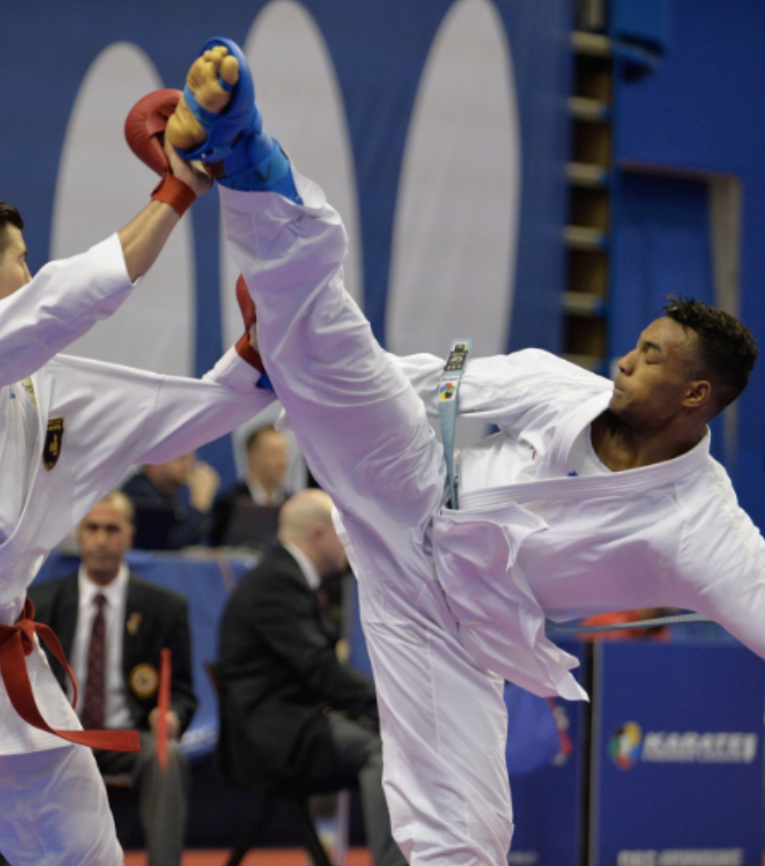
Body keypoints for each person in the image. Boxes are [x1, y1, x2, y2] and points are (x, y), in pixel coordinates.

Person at [162, 38, 764, 866]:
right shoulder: (561, 385)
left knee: (468, 835)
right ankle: (248, 156)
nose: (626, 360)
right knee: (343, 347)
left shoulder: (704, 526)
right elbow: (425, 386)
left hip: (457, 627)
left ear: (697, 395)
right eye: (637, 345)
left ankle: (292, 317)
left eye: (652, 358)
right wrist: (304, 377)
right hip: (412, 492)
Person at [0, 134, 275, 866]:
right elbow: (58, 304)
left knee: (87, 855)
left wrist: (256, 357)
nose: (31, 272)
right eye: (21, 259)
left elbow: (162, 416)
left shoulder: (41, 385)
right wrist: (174, 195)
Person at [0, 490, 195, 866]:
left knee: (166, 756)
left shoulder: (165, 608)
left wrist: (170, 714)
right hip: (56, 736)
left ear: (130, 535)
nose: (101, 540)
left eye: (112, 529)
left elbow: (183, 691)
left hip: (126, 740)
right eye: (92, 528)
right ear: (79, 533)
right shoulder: (39, 603)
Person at [216, 489, 406, 866]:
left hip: (287, 721)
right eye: (342, 532)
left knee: (382, 736)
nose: (348, 543)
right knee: (383, 750)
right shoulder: (278, 582)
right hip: (274, 739)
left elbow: (316, 669)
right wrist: (392, 708)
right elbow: (320, 670)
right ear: (319, 533)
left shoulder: (282, 576)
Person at [210, 423, 290, 547]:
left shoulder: (292, 503)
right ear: (252, 456)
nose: (282, 462)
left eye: (283, 453)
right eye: (273, 453)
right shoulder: (230, 504)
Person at [122, 452, 219, 550]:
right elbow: (167, 547)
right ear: (155, 461)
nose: (188, 466)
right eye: (182, 458)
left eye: (191, 459)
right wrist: (199, 506)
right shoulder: (139, 494)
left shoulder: (168, 494)